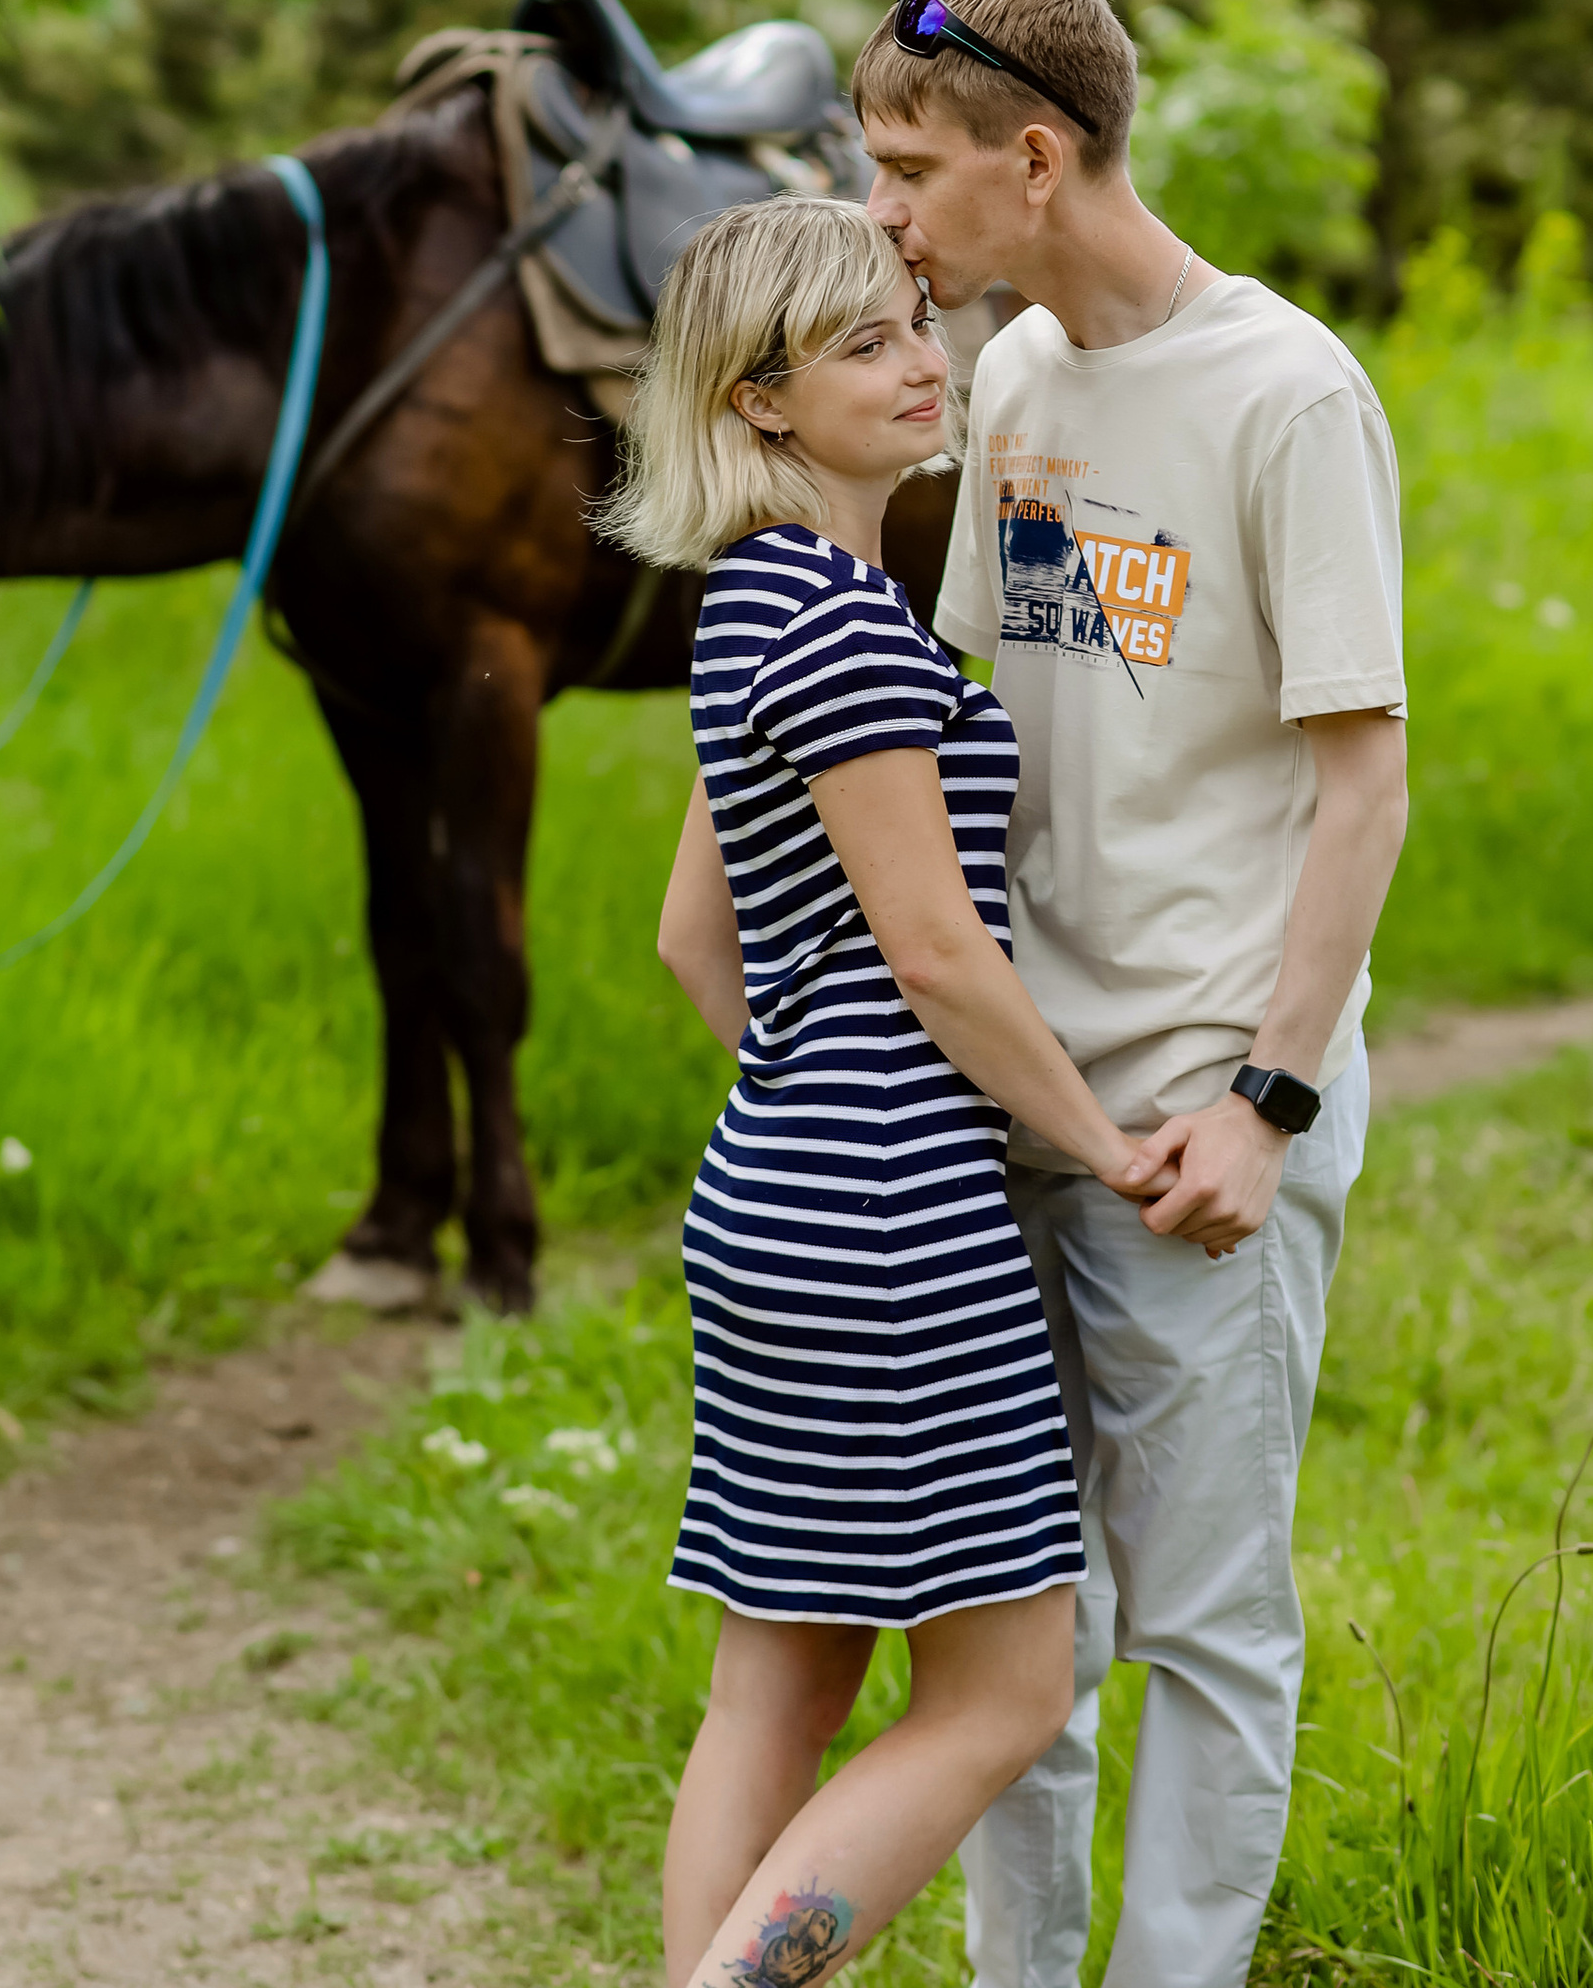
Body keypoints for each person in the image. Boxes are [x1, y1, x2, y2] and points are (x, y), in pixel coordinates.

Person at [851, 0, 1409, 1988]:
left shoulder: (1283, 392)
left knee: (1198, 1620)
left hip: (1199, 1119)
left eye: (910, 170)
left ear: (1036, 151)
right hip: (1021, 1100)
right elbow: (976, 728)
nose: (885, 217)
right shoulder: (1007, 382)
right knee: (1014, 1621)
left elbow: (1361, 788)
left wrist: (1259, 1102)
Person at [610, 192, 1181, 1988]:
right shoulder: (851, 631)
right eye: (861, 347)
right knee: (1004, 1695)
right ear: (760, 400)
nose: (921, 366)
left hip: (776, 1186)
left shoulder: (754, 599)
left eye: (914, 327)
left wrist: (816, 1088)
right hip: (895, 1220)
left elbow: (695, 942)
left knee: (775, 1688)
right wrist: (1097, 1140)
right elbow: (938, 954)